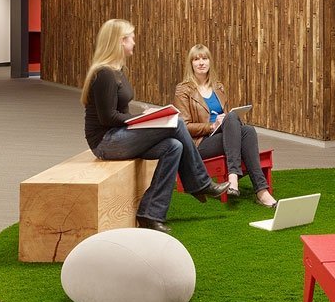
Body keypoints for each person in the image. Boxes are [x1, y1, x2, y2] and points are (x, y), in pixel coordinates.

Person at [82, 19, 229, 233]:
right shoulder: (104, 73)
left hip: (120, 135)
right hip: (106, 142)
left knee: (174, 146)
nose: (134, 42)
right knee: (177, 123)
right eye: (131, 38)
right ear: (120, 41)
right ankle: (200, 183)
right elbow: (107, 118)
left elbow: (117, 114)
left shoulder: (117, 70)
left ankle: (150, 214)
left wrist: (145, 117)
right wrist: (142, 119)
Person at [173, 44, 277, 208]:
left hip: (223, 137)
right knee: (235, 122)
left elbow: (229, 119)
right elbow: (183, 126)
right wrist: (211, 126)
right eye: (196, 59)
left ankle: (261, 191)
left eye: (204, 58)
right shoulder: (183, 90)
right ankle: (234, 175)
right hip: (200, 143)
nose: (201, 62)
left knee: (247, 129)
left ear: (210, 61)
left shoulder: (218, 87)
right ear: (191, 64)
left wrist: (227, 121)